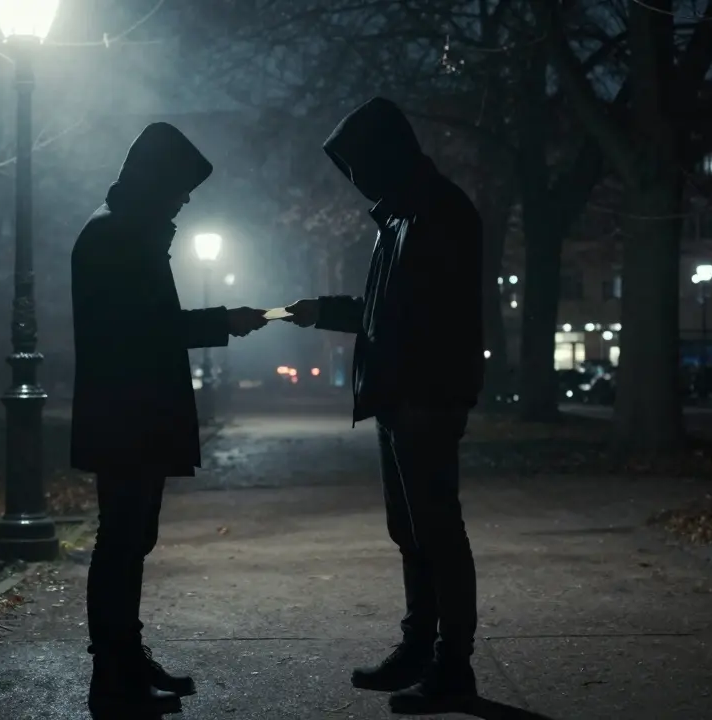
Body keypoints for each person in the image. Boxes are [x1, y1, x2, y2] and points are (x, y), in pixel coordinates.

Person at [284, 97, 485, 715]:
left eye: (358, 166)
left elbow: (430, 317)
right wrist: (328, 312)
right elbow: (387, 311)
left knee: (435, 530)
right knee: (414, 530)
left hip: (424, 394)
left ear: (384, 155)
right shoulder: (403, 215)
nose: (355, 180)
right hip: (404, 395)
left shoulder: (436, 214)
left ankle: (450, 663)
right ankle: (421, 649)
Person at [70, 122, 269, 718]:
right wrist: (220, 322)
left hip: (127, 412)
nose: (183, 202)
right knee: (123, 543)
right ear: (157, 183)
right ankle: (115, 673)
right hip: (127, 414)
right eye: (180, 191)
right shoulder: (117, 238)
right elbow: (145, 330)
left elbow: (141, 326)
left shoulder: (121, 232)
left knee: (130, 541)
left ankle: (124, 660)